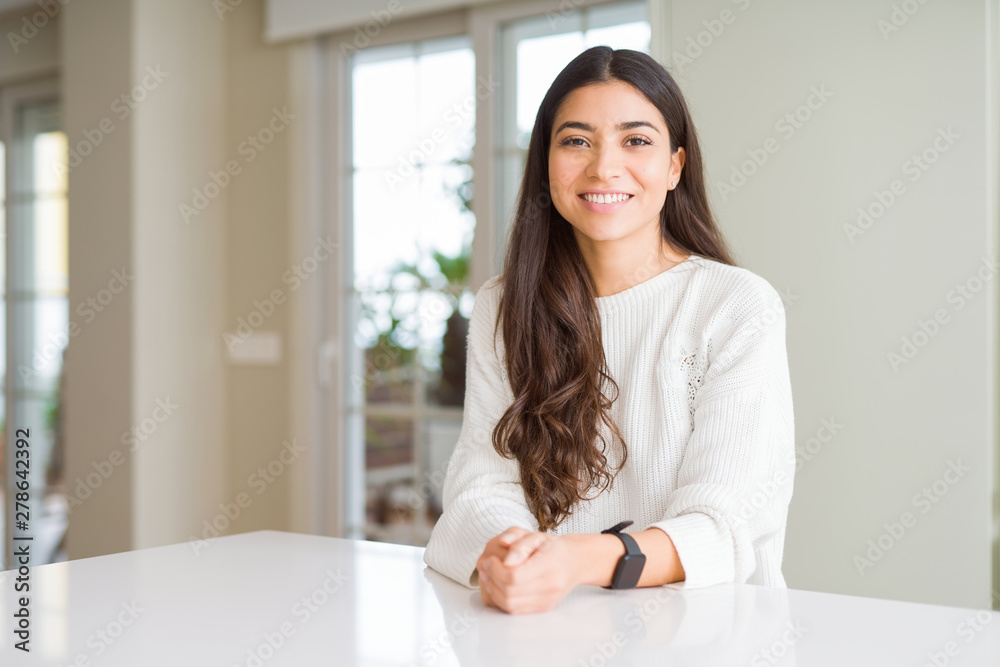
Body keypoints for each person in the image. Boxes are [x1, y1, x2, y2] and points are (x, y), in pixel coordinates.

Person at [423, 45, 795, 615]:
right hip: (547, 631)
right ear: (546, 164)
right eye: (575, 140)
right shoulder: (505, 305)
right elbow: (480, 489)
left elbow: (724, 523)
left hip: (712, 636)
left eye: (636, 140)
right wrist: (515, 558)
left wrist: (573, 560)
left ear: (675, 166)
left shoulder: (735, 305)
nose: (603, 167)